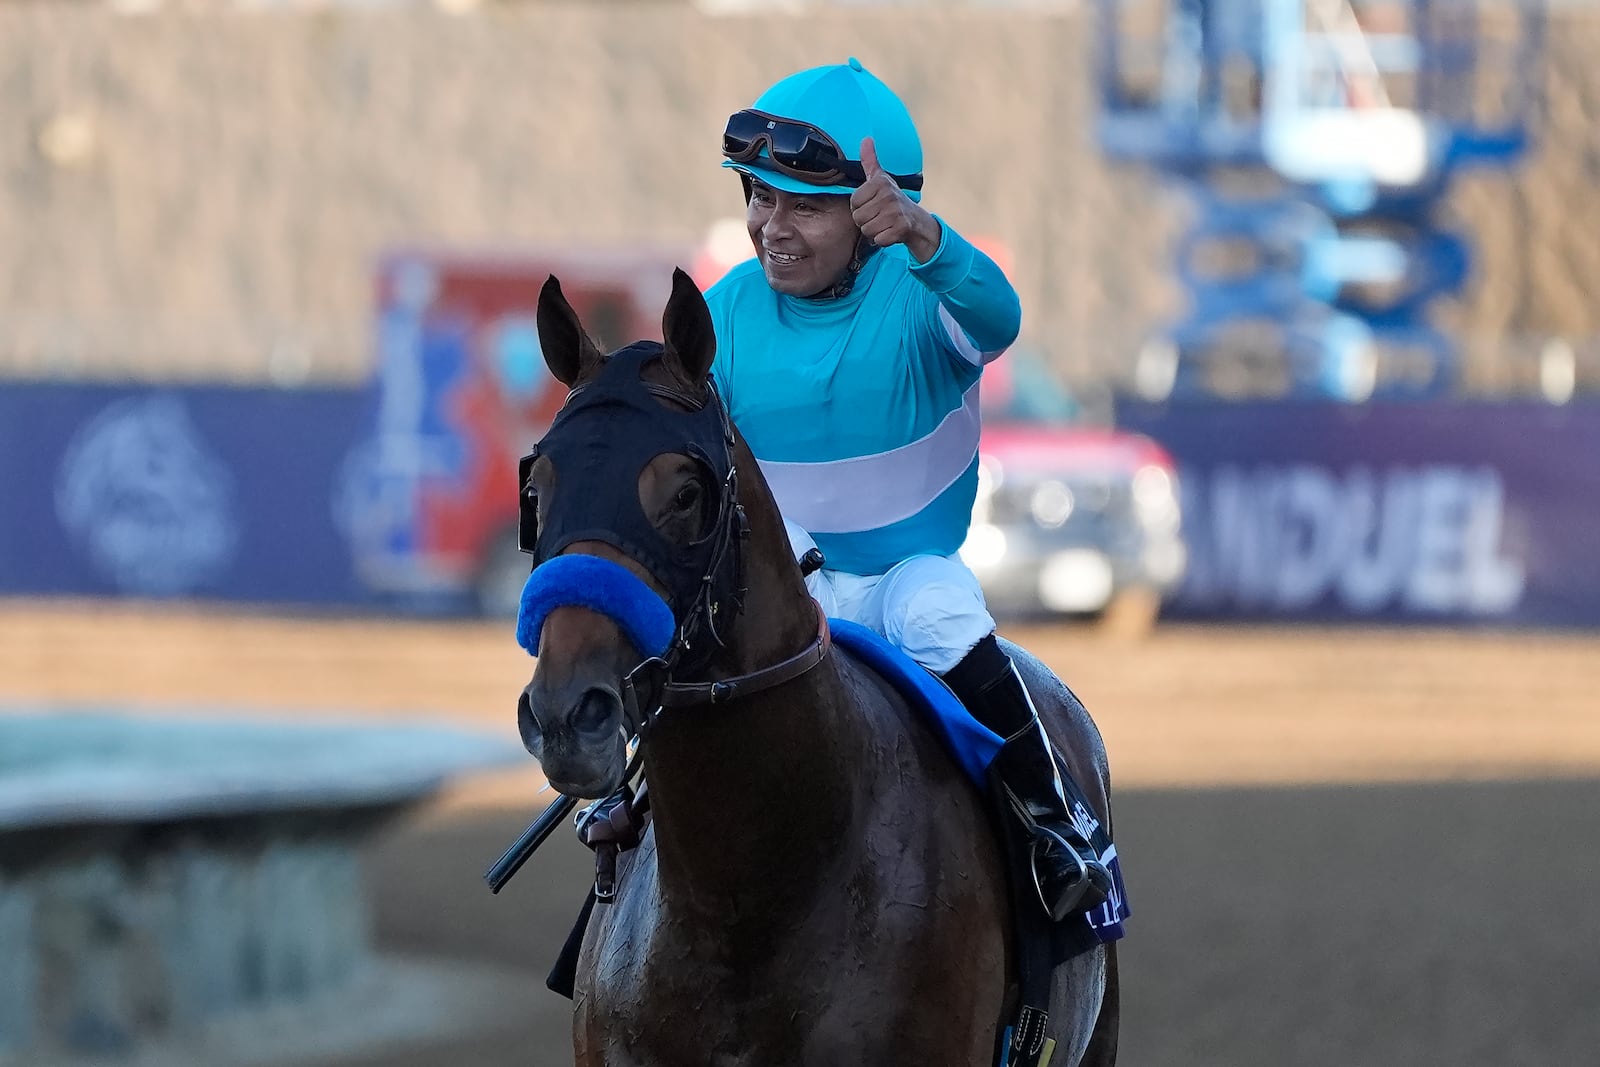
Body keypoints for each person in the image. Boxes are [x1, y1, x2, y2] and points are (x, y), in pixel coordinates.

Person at [705, 58, 1111, 920]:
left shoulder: (923, 296)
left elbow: (1000, 320)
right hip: (783, 592)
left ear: (872, 214)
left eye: (804, 205)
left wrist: (926, 238)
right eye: (760, 196)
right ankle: (624, 803)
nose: (771, 226)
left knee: (941, 611)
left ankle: (1060, 827)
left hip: (901, 583)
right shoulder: (726, 310)